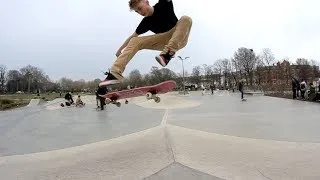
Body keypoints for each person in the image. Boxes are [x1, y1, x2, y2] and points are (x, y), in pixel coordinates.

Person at [99, 0, 192, 87]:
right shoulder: (145, 22)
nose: (140, 13)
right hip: (163, 41)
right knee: (135, 40)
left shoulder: (163, 4)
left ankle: (168, 53)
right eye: (137, 12)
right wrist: (120, 50)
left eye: (139, 8)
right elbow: (132, 36)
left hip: (179, 36)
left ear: (146, 1)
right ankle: (115, 74)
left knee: (186, 18)